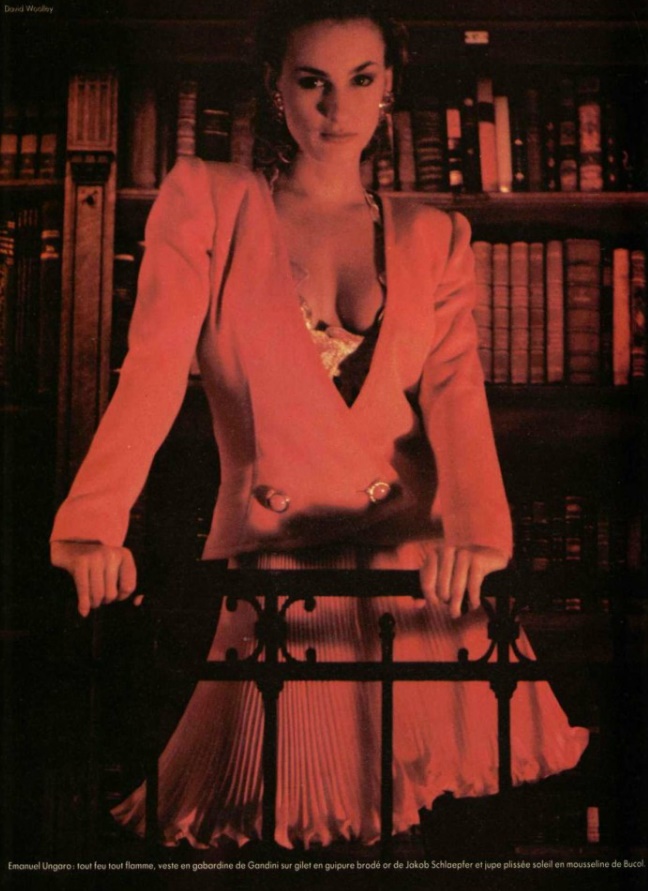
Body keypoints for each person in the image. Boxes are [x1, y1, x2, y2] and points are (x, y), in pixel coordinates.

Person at [50, 0, 588, 850]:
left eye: (361, 80)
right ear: (275, 88)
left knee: (430, 837)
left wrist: (481, 535)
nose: (338, 109)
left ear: (389, 87)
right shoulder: (208, 202)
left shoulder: (435, 235)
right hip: (281, 575)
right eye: (313, 83)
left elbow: (456, 397)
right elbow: (150, 371)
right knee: (276, 827)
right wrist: (90, 525)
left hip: (417, 575)